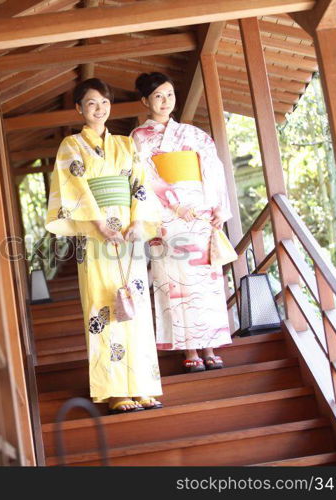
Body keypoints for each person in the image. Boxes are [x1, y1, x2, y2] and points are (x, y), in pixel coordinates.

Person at [45, 78, 163, 413]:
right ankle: (114, 390)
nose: (99, 109)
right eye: (92, 103)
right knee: (103, 306)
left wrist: (138, 222)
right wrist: (98, 224)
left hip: (128, 233)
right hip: (95, 236)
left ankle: (142, 386)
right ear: (79, 108)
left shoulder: (126, 144)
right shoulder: (71, 145)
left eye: (105, 102)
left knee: (135, 304)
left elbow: (140, 185)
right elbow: (74, 186)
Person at [130, 72, 233, 373]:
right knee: (176, 283)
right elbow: (143, 176)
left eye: (170, 94)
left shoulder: (194, 134)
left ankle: (210, 344)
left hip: (200, 214)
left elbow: (214, 169)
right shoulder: (139, 138)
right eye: (158, 96)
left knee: (206, 283)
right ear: (145, 101)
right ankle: (190, 348)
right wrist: (175, 203)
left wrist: (217, 208)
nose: (165, 101)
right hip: (167, 218)